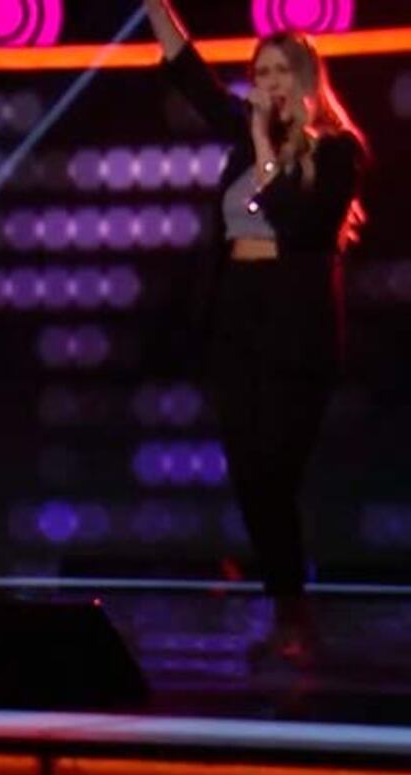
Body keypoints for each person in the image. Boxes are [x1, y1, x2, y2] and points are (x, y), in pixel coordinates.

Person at [144, 0, 368, 661]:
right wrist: (155, 6)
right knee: (247, 472)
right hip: (235, 319)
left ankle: (294, 609)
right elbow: (190, 72)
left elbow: (299, 224)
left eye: (278, 71)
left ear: (304, 78)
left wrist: (269, 154)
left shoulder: (339, 152)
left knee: (275, 470)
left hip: (296, 327)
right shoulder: (245, 134)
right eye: (259, 71)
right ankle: (288, 613)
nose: (265, 83)